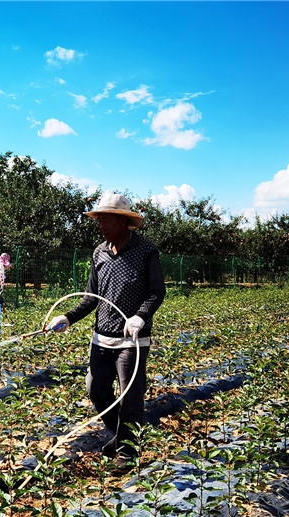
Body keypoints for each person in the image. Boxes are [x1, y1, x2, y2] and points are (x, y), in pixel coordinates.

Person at [48, 192, 166, 472]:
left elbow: (156, 291)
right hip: (101, 337)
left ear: (123, 222)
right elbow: (91, 297)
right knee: (96, 389)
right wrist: (68, 317)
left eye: (105, 221)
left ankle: (127, 453)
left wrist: (140, 316)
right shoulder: (99, 252)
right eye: (98, 221)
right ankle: (125, 437)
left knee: (130, 395)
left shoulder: (146, 251)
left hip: (132, 338)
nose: (100, 226)